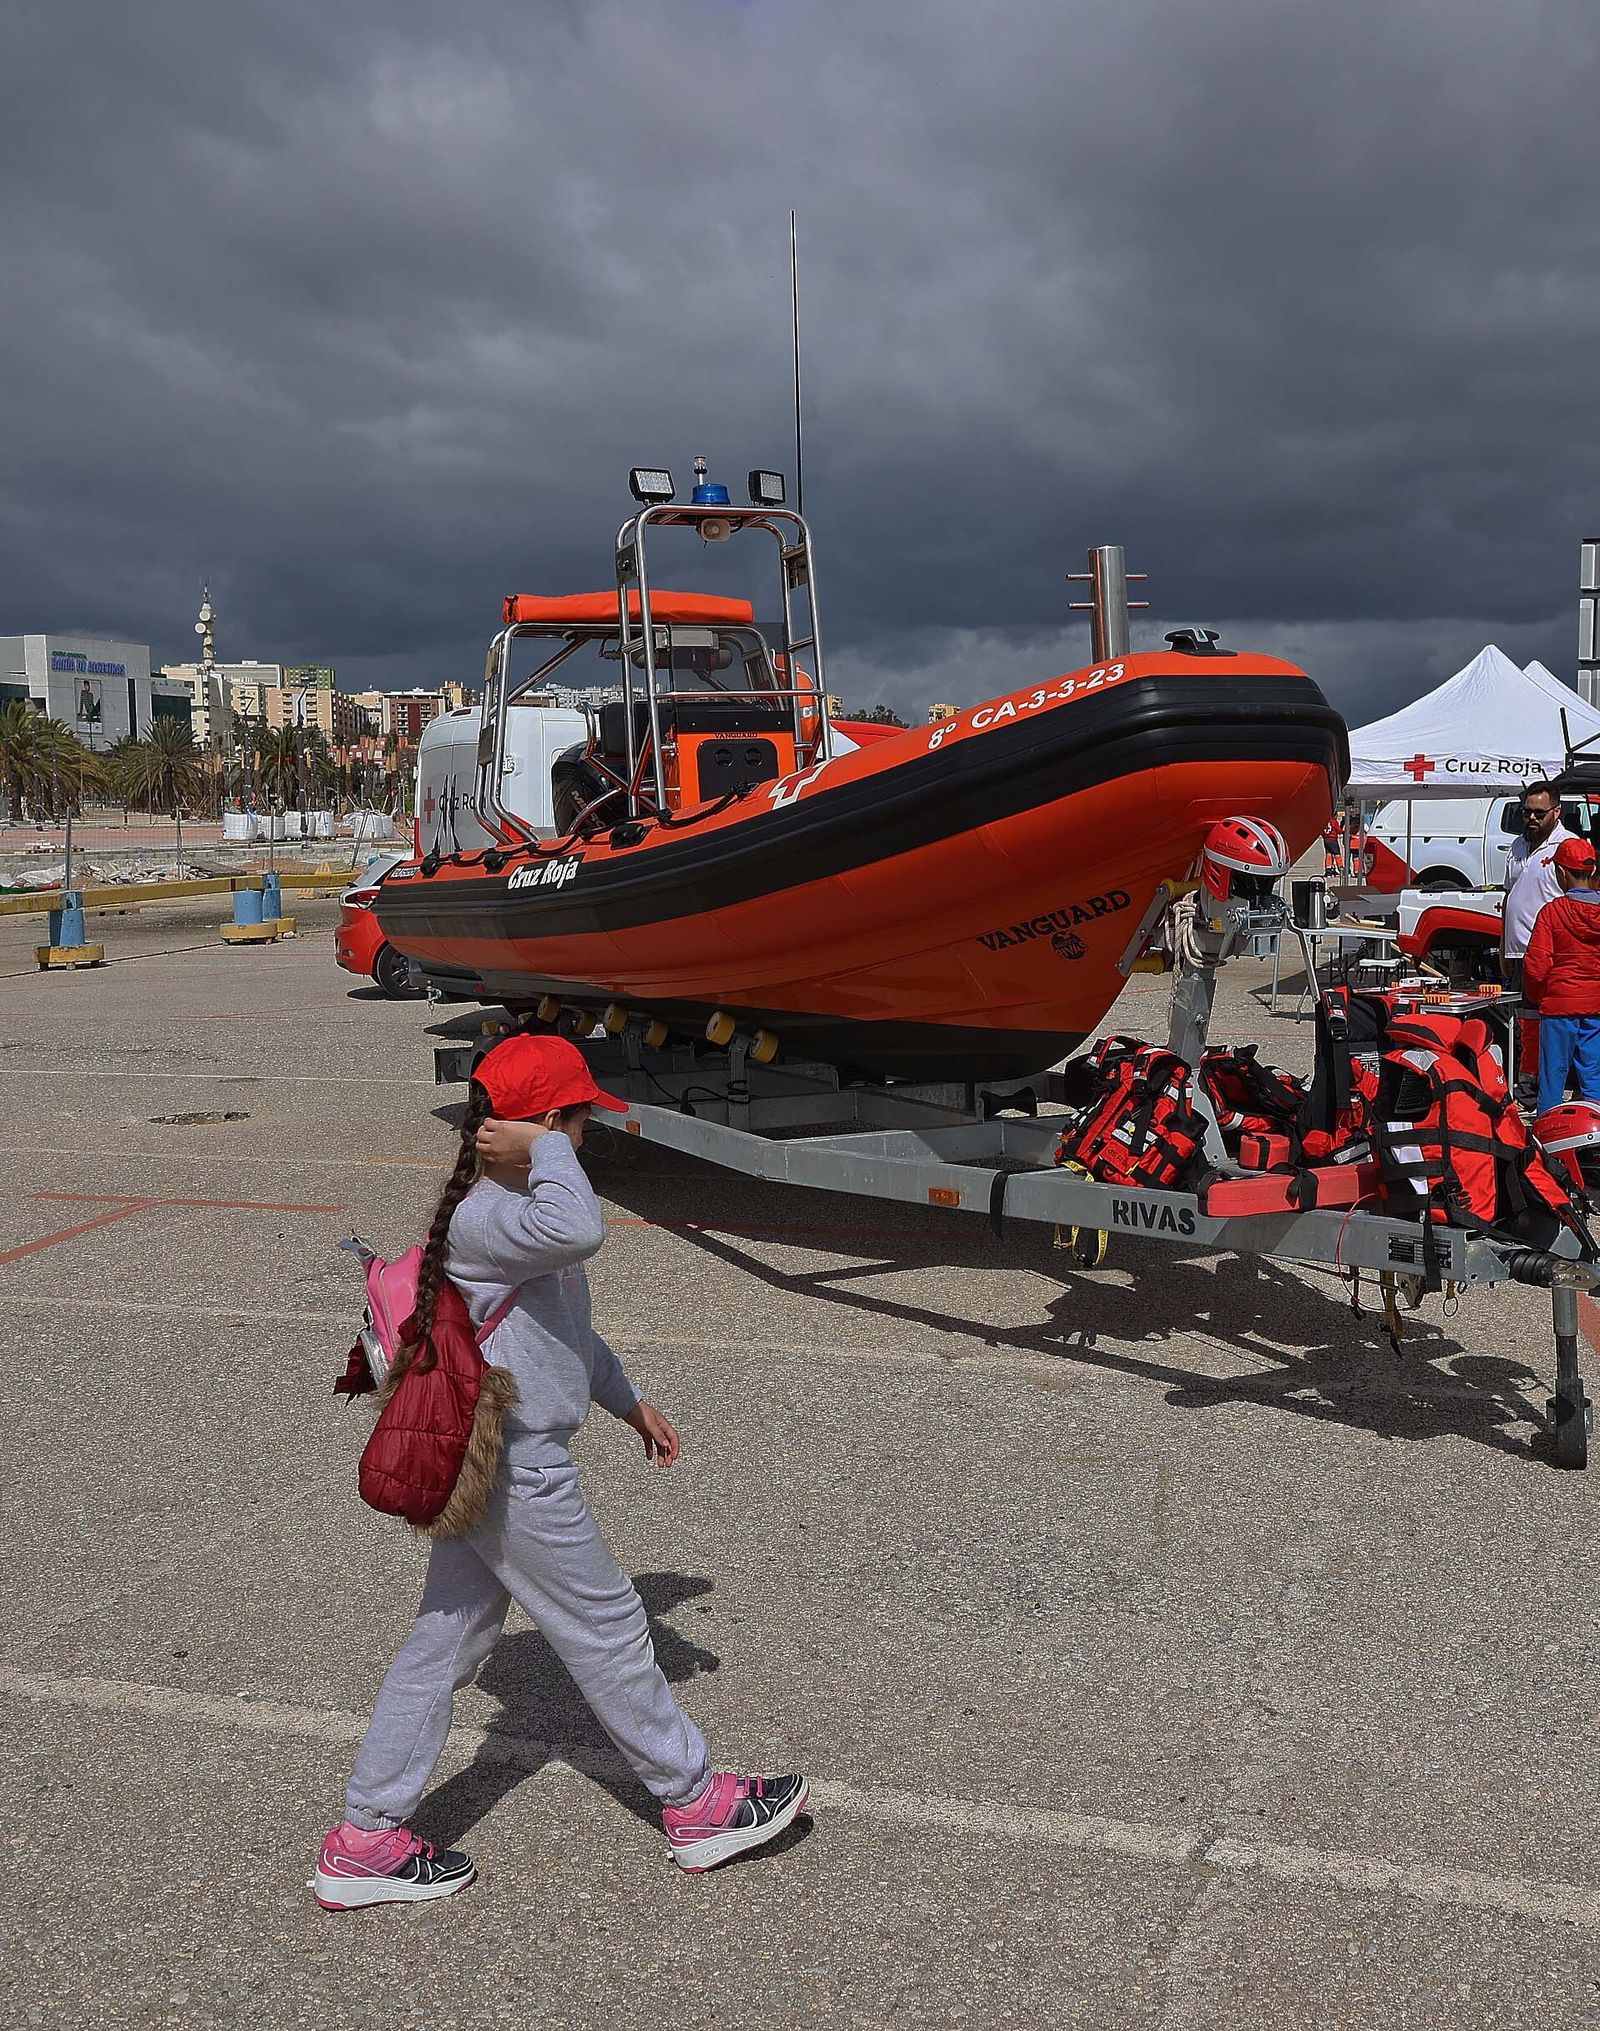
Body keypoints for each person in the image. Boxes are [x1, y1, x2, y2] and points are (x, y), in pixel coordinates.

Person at [312, 1031, 808, 1909]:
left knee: (445, 1641)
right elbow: (580, 1229)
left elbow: (563, 1334)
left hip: (492, 1464)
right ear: (544, 1123)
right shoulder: (494, 1215)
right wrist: (544, 1149)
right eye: (577, 1123)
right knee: (609, 1623)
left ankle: (365, 1839)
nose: (586, 1139)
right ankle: (696, 1804)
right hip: (516, 1469)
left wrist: (627, 1400)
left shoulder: (507, 1212)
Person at [1502, 783, 1577, 1098]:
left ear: (1556, 812)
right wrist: (1503, 946)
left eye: (1539, 813)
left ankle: (1555, 1086)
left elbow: (1576, 902)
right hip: (1518, 950)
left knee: (1553, 1024)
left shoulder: (1568, 846)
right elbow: (1509, 897)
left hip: (1552, 954)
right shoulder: (1518, 845)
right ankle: (1529, 1081)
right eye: (1527, 812)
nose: (1531, 818)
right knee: (1525, 1022)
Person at [1523, 838, 1600, 1117]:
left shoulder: (1552, 913)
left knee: (1552, 1079)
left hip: (1558, 1007)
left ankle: (1548, 1142)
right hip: (1595, 1007)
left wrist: (1537, 995)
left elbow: (1536, 966)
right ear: (1591, 871)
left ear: (1561, 872)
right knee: (1593, 1078)